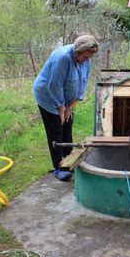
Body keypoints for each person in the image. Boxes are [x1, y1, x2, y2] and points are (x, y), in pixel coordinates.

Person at [34, 35, 99, 181]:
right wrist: (61, 107)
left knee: (68, 124)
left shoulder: (86, 60)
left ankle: (69, 160)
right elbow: (54, 85)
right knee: (56, 129)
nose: (87, 60)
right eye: (86, 57)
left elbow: (83, 81)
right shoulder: (62, 58)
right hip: (48, 96)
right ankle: (58, 166)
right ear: (77, 52)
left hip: (66, 98)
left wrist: (72, 105)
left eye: (90, 57)